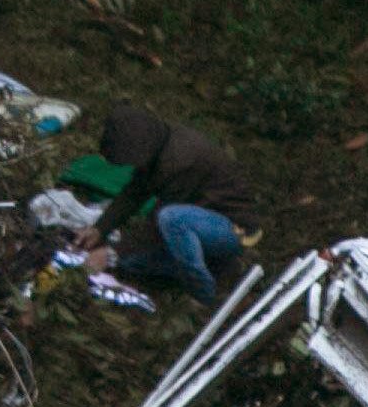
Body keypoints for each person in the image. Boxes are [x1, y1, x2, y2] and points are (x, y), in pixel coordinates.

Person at [75, 105, 261, 305]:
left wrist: (111, 252)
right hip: (199, 221)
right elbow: (135, 193)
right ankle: (217, 266)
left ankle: (205, 293)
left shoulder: (181, 159)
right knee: (129, 262)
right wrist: (100, 229)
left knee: (170, 218)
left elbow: (157, 225)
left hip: (235, 229)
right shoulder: (157, 144)